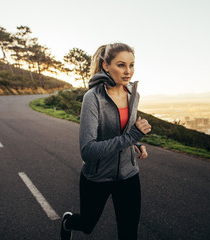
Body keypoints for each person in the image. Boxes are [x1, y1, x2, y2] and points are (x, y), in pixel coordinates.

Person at [60, 42, 151, 240]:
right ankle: (68, 222)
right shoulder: (93, 98)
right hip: (97, 176)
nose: (128, 72)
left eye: (131, 65)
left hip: (128, 174)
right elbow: (88, 150)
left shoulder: (133, 95)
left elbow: (123, 132)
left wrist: (135, 144)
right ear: (106, 66)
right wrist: (132, 137)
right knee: (87, 224)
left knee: (129, 234)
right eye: (121, 65)